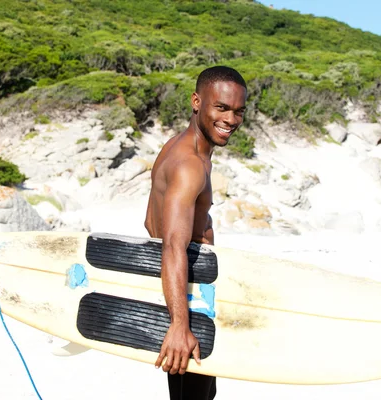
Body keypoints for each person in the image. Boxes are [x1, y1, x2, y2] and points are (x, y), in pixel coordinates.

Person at [144, 65, 247, 400]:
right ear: (196, 102)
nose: (231, 120)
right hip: (190, 299)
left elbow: (150, 223)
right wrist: (179, 323)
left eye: (238, 111)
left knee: (202, 394)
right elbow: (172, 246)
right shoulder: (189, 165)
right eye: (221, 108)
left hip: (189, 292)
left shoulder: (178, 146)